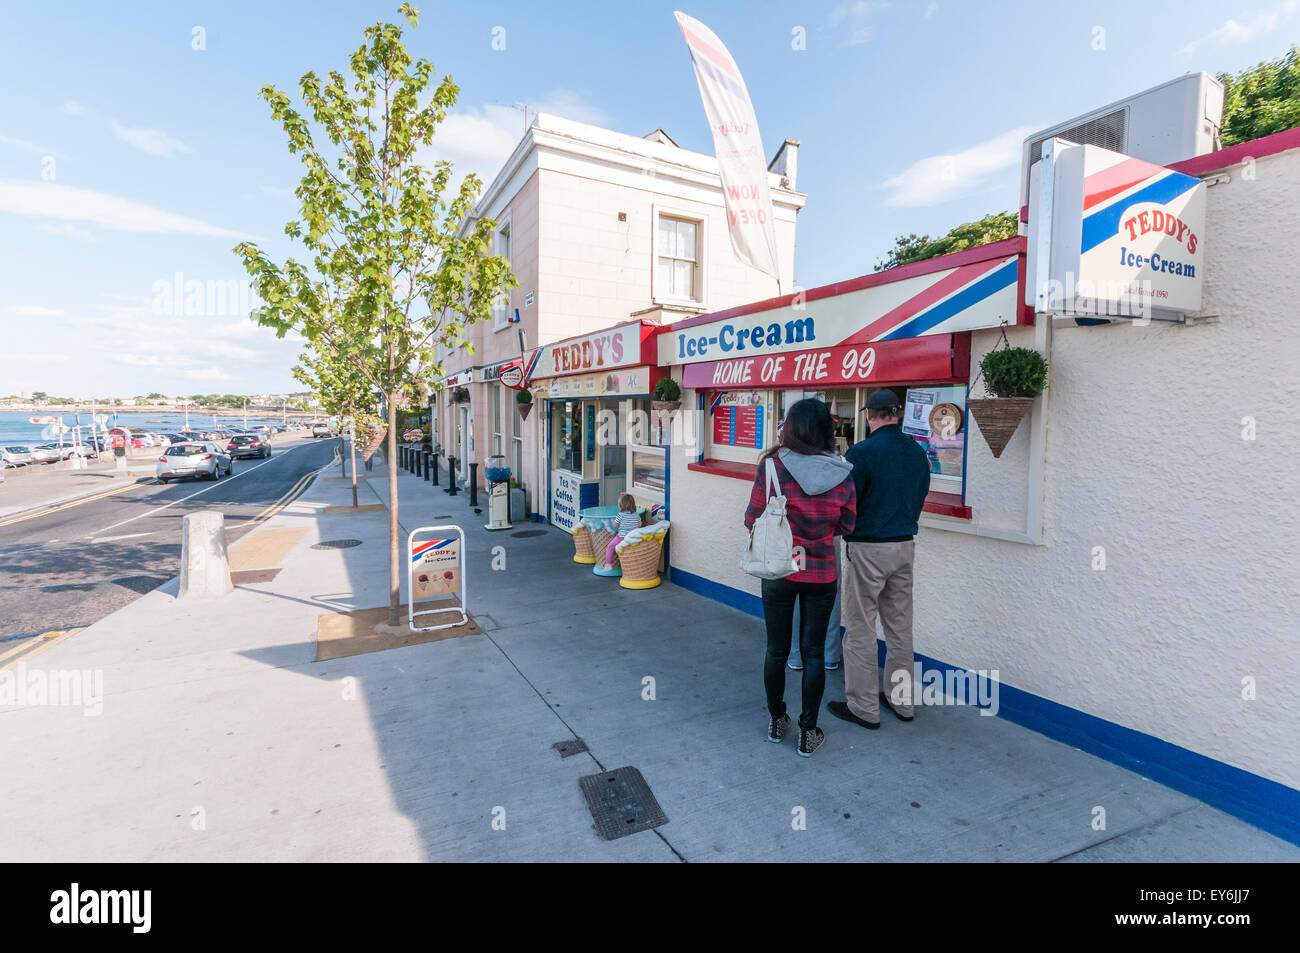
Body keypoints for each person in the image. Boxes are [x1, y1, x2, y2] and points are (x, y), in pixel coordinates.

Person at [744, 398, 856, 758]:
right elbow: (848, 524)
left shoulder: (772, 467)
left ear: (790, 428)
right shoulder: (842, 472)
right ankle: (809, 732)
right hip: (821, 572)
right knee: (813, 654)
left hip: (779, 568)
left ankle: (777, 720)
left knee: (776, 650)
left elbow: (752, 518)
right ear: (828, 430)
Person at [827, 389, 932, 731]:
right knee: (900, 628)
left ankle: (863, 706)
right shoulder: (918, 453)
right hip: (904, 545)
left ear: (870, 415)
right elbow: (919, 496)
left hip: (869, 548)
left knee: (860, 627)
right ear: (898, 415)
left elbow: (848, 500)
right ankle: (902, 702)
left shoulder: (862, 452)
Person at [605, 493, 641, 569]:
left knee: (610, 546)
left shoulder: (620, 515)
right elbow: (639, 524)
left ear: (621, 505)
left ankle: (608, 564)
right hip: (633, 538)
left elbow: (615, 525)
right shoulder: (637, 515)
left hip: (622, 537)